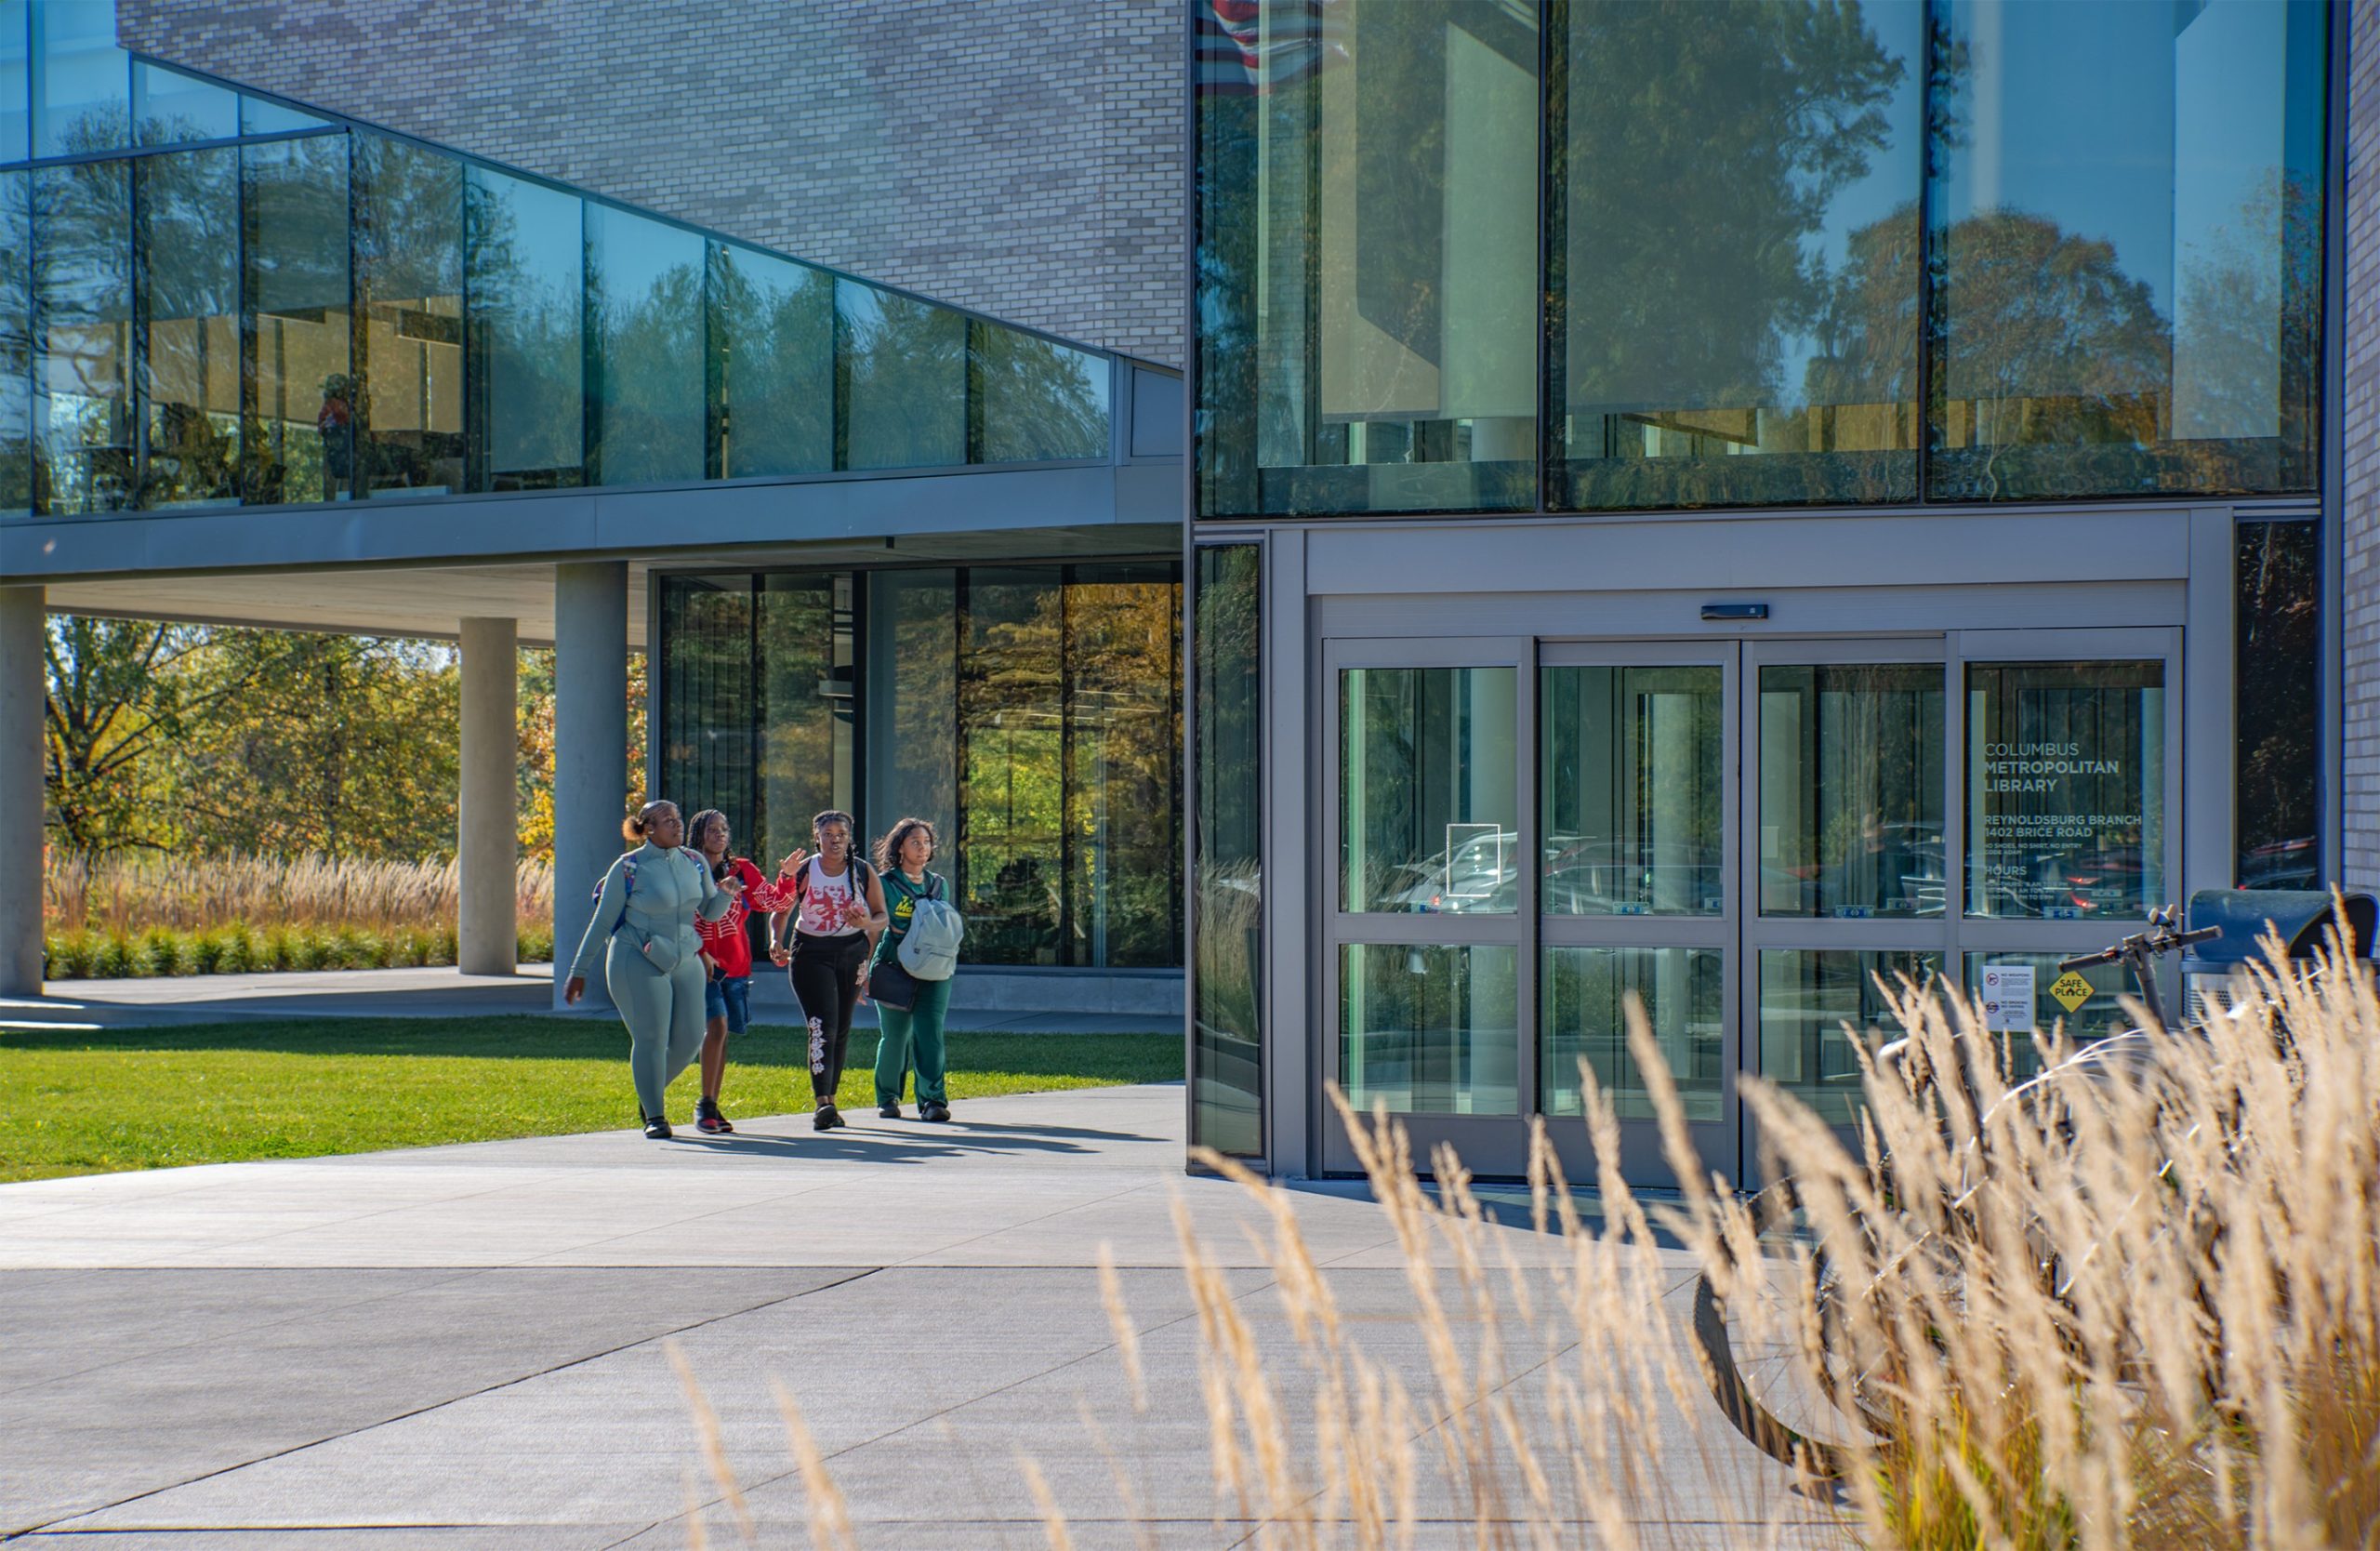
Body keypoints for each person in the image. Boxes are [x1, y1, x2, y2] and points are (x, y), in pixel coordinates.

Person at [565, 800, 739, 1139]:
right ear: (647, 829)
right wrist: (579, 969)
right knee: (652, 1038)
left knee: (690, 1040)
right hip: (636, 958)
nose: (676, 825)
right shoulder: (628, 868)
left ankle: (648, 1093)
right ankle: (655, 1115)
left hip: (684, 958)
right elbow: (601, 923)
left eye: (677, 819)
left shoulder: (694, 861)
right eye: (666, 821)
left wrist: (726, 894)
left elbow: (710, 911)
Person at [768, 809, 887, 1132]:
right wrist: (776, 940)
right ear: (816, 837)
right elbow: (781, 912)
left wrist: (865, 924)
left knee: (842, 1029)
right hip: (811, 953)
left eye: (841, 835)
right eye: (828, 835)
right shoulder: (805, 871)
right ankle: (823, 1103)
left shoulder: (862, 871)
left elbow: (882, 918)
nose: (835, 841)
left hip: (852, 953)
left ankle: (831, 1101)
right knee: (823, 1025)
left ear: (849, 839)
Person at [685, 809, 802, 1135]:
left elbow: (776, 903)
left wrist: (788, 876)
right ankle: (704, 1105)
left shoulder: (742, 869)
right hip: (699, 964)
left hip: (735, 966)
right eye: (711, 829)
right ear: (698, 834)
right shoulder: (686, 870)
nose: (719, 834)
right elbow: (679, 917)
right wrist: (698, 951)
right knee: (716, 1026)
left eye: (724, 828)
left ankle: (712, 1103)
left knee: (721, 1037)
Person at [869, 816, 958, 1122]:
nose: (922, 848)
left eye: (926, 842)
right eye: (915, 843)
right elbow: (873, 926)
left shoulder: (938, 884)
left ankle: (933, 1101)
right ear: (900, 848)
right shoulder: (884, 883)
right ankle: (888, 1098)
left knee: (929, 1033)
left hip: (934, 970)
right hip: (894, 967)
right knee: (895, 1036)